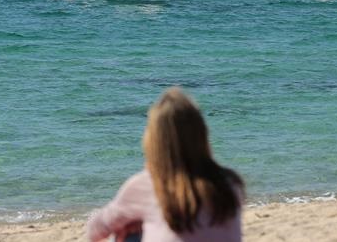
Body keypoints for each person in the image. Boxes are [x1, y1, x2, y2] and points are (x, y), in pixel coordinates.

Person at [87, 88, 244, 242]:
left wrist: (134, 222)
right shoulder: (230, 183)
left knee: (127, 233)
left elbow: (96, 230)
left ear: (153, 140)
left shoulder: (147, 184)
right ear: (202, 134)